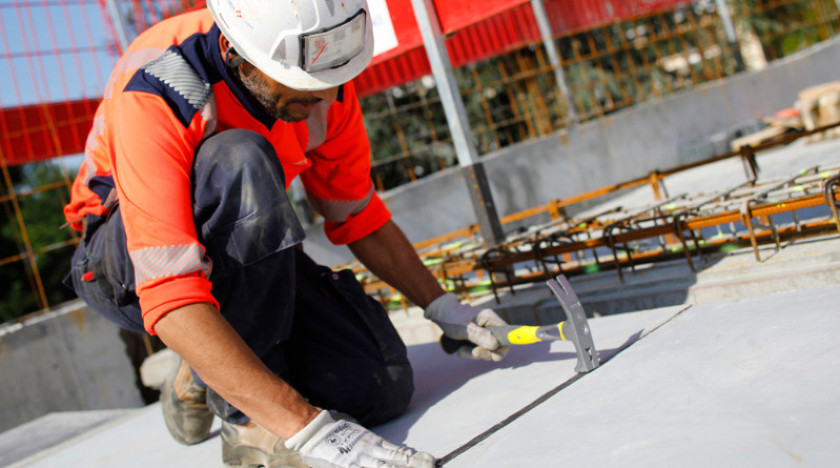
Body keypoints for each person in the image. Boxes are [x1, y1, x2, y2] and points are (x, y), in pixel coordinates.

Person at [62, 0, 508, 466]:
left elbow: (357, 215)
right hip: (127, 265)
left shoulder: (322, 77)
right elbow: (168, 289)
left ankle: (208, 366)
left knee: (380, 385)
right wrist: (308, 431)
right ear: (241, 53)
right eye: (308, 87)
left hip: (239, 257)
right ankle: (245, 423)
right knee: (240, 159)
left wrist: (444, 308)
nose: (329, 101)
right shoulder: (162, 84)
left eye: (333, 83)